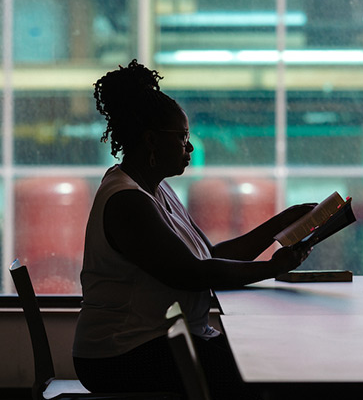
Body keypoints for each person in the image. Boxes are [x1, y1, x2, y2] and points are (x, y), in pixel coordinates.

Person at [72, 59, 314, 400]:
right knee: (260, 368)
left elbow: (208, 257)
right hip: (123, 353)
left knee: (260, 359)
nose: (190, 147)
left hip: (159, 338)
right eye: (183, 137)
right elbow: (191, 274)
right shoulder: (127, 201)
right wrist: (272, 269)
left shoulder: (155, 189)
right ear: (152, 141)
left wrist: (280, 224)